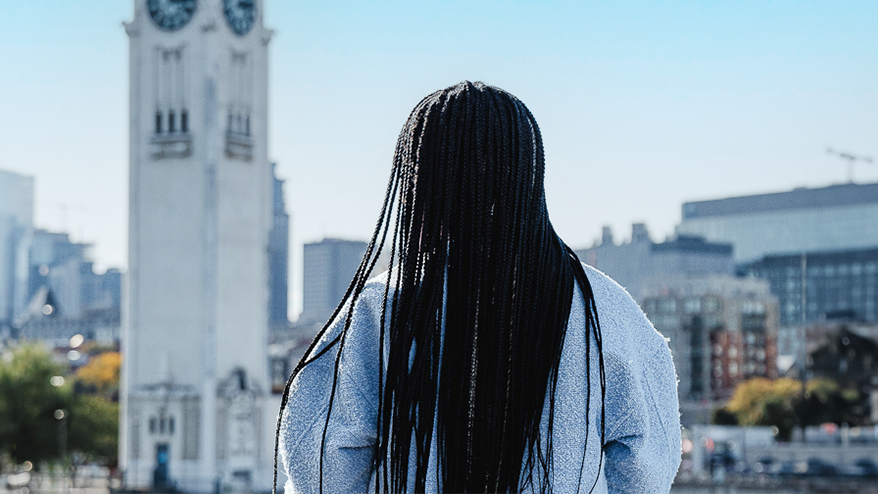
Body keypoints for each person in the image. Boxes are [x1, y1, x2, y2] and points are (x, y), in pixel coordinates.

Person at [277, 81, 681, 493]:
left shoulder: (380, 310)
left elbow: (321, 468)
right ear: (529, 172)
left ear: (421, 181)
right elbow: (646, 469)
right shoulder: (605, 312)